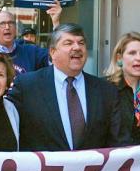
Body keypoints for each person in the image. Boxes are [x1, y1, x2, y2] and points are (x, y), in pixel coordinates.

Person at [8, 23, 129, 151]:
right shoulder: (27, 86)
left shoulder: (106, 91)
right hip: (45, 170)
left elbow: (119, 144)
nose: (77, 47)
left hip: (92, 170)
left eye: (81, 43)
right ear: (53, 52)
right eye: (68, 43)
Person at [104, 31, 140, 145]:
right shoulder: (105, 88)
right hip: (116, 160)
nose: (139, 58)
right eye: (132, 53)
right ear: (119, 58)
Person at [0, 0, 62, 75]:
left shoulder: (31, 52)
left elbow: (57, 58)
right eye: (2, 24)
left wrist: (56, 23)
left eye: (11, 23)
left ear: (15, 28)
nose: (7, 27)